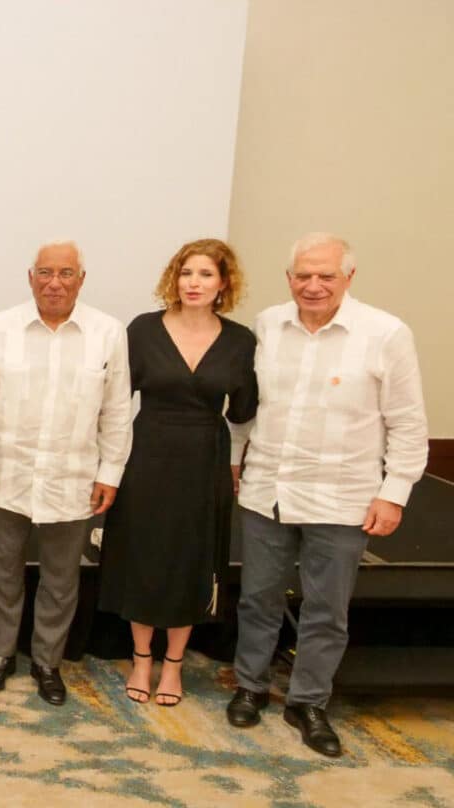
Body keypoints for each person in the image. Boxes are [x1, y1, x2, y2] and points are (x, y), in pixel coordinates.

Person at [226, 233, 427, 757]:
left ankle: (308, 701)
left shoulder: (385, 333)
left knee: (326, 608)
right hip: (267, 488)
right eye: (302, 276)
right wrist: (233, 457)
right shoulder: (268, 326)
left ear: (349, 278)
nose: (313, 286)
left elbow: (407, 423)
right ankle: (249, 685)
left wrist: (395, 492)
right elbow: (249, 404)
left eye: (326, 276)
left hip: (345, 498)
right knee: (257, 599)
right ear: (288, 277)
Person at [96, 239, 256, 706]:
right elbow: (115, 401)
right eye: (187, 273)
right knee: (143, 555)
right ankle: (142, 658)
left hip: (205, 460)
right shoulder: (142, 331)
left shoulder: (240, 340)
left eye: (206, 274)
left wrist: (235, 464)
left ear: (224, 283)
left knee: (192, 560)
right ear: (174, 277)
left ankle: (174, 666)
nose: (194, 283)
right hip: (145, 454)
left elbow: (244, 409)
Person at [0, 240, 132, 706]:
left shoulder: (108, 332)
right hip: (8, 474)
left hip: (74, 477)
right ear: (30, 277)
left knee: (62, 578)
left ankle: (47, 661)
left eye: (65, 273)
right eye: (45, 272)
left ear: (81, 279)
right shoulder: (0, 328)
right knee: (1, 571)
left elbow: (117, 410)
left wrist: (111, 473)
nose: (54, 283)